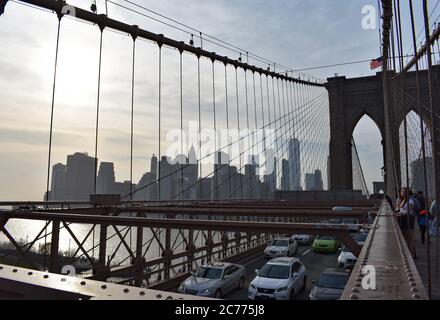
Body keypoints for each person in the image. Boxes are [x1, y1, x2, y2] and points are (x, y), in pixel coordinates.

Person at [395, 188, 417, 258]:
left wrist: (399, 214)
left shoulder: (410, 201)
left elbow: (409, 211)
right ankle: (406, 253)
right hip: (400, 219)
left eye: (405, 192)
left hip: (408, 219)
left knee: (410, 237)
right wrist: (396, 212)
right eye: (402, 191)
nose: (403, 193)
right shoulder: (399, 200)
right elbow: (397, 209)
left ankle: (413, 254)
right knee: (403, 237)